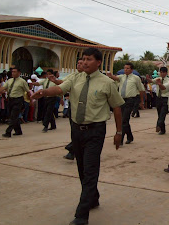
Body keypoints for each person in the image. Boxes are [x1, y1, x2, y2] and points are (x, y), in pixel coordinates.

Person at [31, 48, 125, 225]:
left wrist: (119, 132)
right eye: (84, 59)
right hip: (76, 129)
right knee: (82, 168)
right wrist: (43, 92)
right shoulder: (75, 78)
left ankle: (81, 215)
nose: (85, 62)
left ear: (98, 62)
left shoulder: (107, 83)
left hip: (95, 131)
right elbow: (59, 88)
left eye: (89, 59)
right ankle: (93, 197)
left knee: (90, 170)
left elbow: (117, 107)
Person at [50, 59, 84, 161]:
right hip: (73, 106)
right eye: (78, 63)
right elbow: (63, 83)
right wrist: (55, 81)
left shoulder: (89, 78)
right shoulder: (73, 76)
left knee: (81, 131)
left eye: (81, 64)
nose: (79, 65)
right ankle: (74, 149)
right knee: (74, 130)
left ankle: (72, 149)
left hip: (84, 108)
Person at [107, 62, 145, 145]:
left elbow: (141, 89)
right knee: (125, 121)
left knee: (124, 120)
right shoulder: (121, 77)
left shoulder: (136, 78)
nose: (126, 70)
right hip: (121, 100)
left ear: (131, 69)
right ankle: (130, 137)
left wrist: (141, 101)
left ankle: (120, 140)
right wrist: (110, 75)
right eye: (125, 68)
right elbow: (114, 78)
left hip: (130, 100)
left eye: (128, 68)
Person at [0, 67, 30, 137]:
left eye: (15, 72)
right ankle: (18, 130)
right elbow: (4, 88)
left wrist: (30, 99)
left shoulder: (22, 81)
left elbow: (28, 91)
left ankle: (8, 132)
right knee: (12, 115)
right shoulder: (9, 81)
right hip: (10, 99)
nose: (13, 73)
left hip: (18, 100)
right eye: (12, 72)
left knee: (13, 116)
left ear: (19, 73)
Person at [147, 67, 169, 135]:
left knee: (163, 113)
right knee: (159, 113)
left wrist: (160, 84)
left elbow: (164, 87)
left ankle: (158, 125)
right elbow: (152, 81)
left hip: (165, 98)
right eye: (161, 72)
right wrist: (148, 79)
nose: (162, 74)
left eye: (163, 72)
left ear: (166, 73)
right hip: (158, 98)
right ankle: (162, 129)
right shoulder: (158, 79)